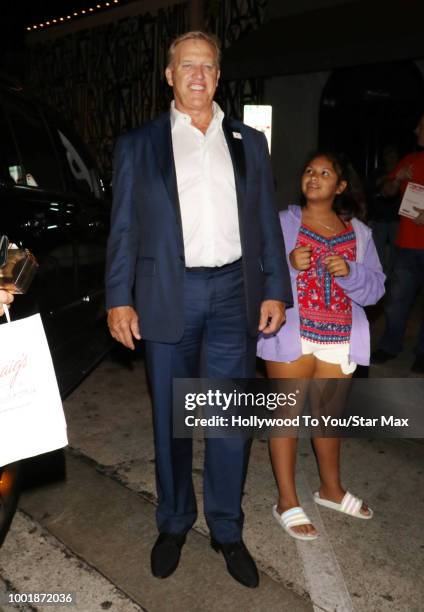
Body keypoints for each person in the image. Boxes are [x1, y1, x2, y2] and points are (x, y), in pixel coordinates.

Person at [105, 31, 291, 587]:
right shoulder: (140, 144)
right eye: (186, 66)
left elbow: (265, 224)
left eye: (207, 66)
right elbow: (123, 229)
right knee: (173, 419)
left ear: (217, 76)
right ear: (169, 75)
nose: (197, 75)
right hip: (169, 295)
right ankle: (174, 521)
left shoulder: (247, 141)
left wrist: (275, 288)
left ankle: (228, 529)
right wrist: (118, 298)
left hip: (236, 294)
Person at [257, 151, 385, 540]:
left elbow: (376, 288)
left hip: (339, 338)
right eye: (309, 170)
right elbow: (257, 271)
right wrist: (287, 263)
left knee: (328, 418)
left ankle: (331, 489)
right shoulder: (282, 223)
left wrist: (352, 272)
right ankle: (286, 499)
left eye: (325, 172)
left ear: (340, 186)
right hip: (292, 334)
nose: (314, 177)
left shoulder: (359, 233)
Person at [372, 112, 424, 374]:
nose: (416, 130)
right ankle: (390, 345)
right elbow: (386, 193)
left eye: (421, 125)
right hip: (407, 244)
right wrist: (398, 178)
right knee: (396, 300)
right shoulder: (410, 160)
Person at [366, 145, 400, 275]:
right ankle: (379, 279)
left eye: (393, 155)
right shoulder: (377, 173)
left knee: (396, 252)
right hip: (379, 218)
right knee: (377, 251)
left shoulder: (401, 172)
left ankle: (392, 278)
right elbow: (369, 191)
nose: (391, 158)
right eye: (388, 155)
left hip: (397, 219)